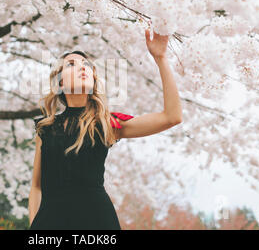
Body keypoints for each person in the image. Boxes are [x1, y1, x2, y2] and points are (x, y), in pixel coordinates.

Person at [28, 27, 182, 230]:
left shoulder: (107, 124)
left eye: (86, 65)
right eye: (71, 64)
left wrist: (161, 58)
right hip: (50, 223)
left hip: (97, 222)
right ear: (61, 82)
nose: (82, 67)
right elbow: (36, 187)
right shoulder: (45, 128)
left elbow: (171, 117)